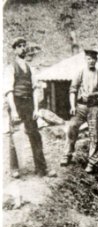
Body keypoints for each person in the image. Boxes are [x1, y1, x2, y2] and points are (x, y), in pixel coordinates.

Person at [3, 37, 56, 178]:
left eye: (24, 46)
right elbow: (8, 91)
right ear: (14, 50)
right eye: (19, 46)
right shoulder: (10, 67)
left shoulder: (30, 68)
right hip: (16, 103)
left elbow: (34, 89)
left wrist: (36, 109)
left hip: (29, 104)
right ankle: (14, 169)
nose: (22, 48)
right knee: (14, 136)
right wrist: (14, 111)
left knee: (35, 135)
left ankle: (41, 168)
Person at [60, 49, 98, 173]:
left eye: (93, 59)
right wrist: (72, 106)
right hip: (80, 107)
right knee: (72, 127)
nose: (91, 61)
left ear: (96, 60)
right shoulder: (80, 73)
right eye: (88, 58)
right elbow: (72, 90)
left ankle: (91, 163)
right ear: (85, 60)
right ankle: (67, 155)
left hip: (94, 108)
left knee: (95, 135)